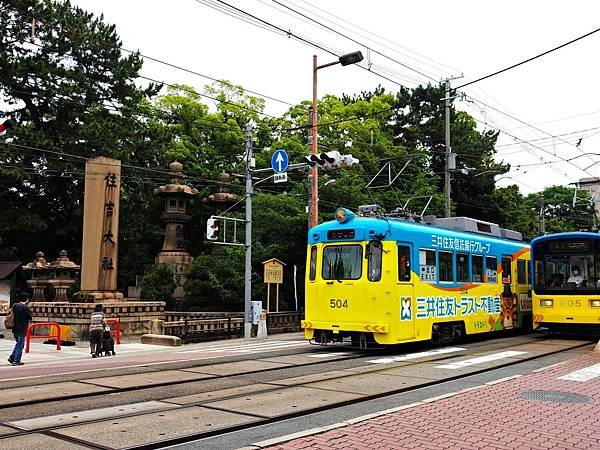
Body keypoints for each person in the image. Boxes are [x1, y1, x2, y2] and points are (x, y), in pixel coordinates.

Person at [8, 292, 32, 366]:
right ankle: (16, 360)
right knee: (20, 345)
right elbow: (30, 317)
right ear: (27, 299)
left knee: (18, 343)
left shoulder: (15, 305)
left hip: (15, 327)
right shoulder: (26, 307)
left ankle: (12, 357)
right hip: (22, 328)